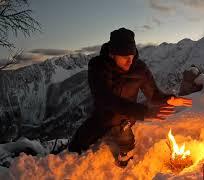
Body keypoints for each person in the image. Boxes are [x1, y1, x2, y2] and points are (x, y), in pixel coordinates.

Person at [68, 27, 192, 167]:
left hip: (126, 118)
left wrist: (169, 99)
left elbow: (154, 94)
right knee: (76, 147)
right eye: (125, 57)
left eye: (132, 57)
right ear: (112, 54)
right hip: (102, 117)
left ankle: (124, 157)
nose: (130, 62)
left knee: (124, 140)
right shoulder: (98, 67)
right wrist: (144, 112)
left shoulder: (139, 69)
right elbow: (105, 98)